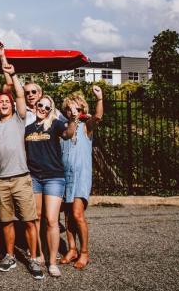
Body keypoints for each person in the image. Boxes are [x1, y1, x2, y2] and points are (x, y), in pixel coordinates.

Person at [0, 62, 43, 280]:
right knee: (6, 221)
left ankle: (33, 257)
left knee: (29, 220)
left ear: (11, 105)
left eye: (6, 101)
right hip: (1, 180)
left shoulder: (20, 120)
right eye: (0, 101)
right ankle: (10, 256)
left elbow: (20, 96)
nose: (3, 103)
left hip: (21, 178)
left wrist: (12, 74)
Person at [25, 94, 78, 277]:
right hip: (34, 177)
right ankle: (41, 254)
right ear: (35, 106)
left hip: (53, 177)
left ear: (51, 110)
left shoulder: (54, 124)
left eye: (47, 107)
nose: (43, 109)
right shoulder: (28, 128)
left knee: (52, 219)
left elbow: (68, 134)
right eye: (41, 105)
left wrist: (73, 119)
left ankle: (52, 261)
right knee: (37, 217)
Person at [60, 86, 103, 270]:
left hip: (81, 176)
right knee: (68, 216)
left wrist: (99, 99)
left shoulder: (87, 127)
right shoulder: (63, 128)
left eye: (76, 108)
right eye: (69, 108)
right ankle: (72, 249)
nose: (73, 111)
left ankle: (84, 252)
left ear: (83, 109)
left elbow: (98, 117)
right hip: (65, 175)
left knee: (77, 214)